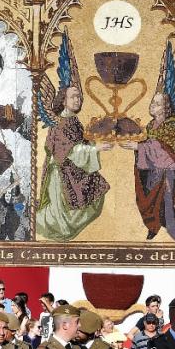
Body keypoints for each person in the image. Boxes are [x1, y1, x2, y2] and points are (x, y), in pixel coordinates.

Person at [35, 84, 111, 242]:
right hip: (62, 174)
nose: (77, 100)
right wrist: (95, 149)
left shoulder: (72, 119)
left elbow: (80, 141)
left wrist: (93, 140)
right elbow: (71, 150)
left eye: (78, 97)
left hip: (73, 169)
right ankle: (42, 223)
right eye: (73, 97)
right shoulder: (62, 123)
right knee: (62, 214)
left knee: (96, 191)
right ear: (63, 101)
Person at [128, 92, 175, 241]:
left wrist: (139, 147)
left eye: (157, 104)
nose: (152, 105)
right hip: (155, 173)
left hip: (170, 175)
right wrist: (139, 146)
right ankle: (153, 226)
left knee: (168, 208)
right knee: (150, 202)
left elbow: (166, 152)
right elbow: (150, 149)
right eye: (152, 102)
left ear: (165, 109)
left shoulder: (171, 127)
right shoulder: (151, 126)